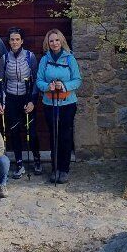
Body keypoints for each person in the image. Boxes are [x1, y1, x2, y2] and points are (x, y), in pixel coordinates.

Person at [36, 29, 82, 185]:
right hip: (50, 104)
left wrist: (64, 86)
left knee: (65, 136)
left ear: (61, 41)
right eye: (51, 41)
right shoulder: (44, 60)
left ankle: (64, 169)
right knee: (53, 135)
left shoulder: (70, 59)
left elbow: (77, 80)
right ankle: (55, 168)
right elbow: (39, 81)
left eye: (56, 40)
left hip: (68, 104)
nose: (54, 43)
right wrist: (47, 87)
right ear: (47, 43)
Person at [0, 27, 40, 178]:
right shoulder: (4, 58)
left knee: (32, 132)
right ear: (8, 42)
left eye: (17, 39)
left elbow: (36, 80)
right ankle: (19, 164)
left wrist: (33, 101)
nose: (14, 42)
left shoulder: (30, 56)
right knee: (14, 132)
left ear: (22, 41)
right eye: (12, 39)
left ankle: (36, 160)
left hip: (27, 97)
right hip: (11, 99)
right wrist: (0, 102)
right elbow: (0, 82)